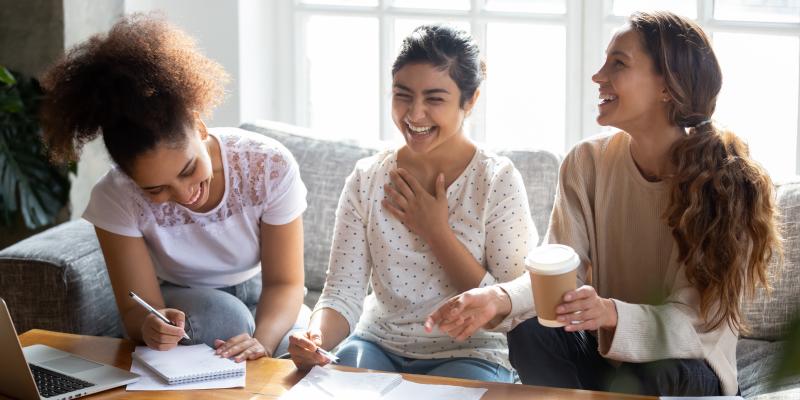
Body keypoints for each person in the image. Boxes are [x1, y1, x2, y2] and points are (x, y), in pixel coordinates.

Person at [425, 10, 782, 396]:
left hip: (687, 369)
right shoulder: (586, 163)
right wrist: (498, 297)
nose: (598, 76)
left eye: (618, 63)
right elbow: (561, 277)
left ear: (668, 87)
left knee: (660, 374)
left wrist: (610, 313)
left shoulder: (728, 185)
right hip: (609, 365)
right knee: (531, 333)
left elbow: (694, 325)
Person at [39, 14, 310, 362]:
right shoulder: (116, 197)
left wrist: (265, 343)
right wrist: (151, 325)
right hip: (185, 299)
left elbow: (285, 284)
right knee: (224, 318)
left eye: (188, 169)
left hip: (261, 291)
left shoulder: (267, 165)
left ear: (199, 128)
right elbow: (137, 310)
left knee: (301, 345)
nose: (183, 195)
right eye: (155, 190)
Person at [287, 24, 537, 382]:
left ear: (470, 100)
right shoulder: (368, 178)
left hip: (471, 353)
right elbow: (342, 292)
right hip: (376, 344)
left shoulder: (496, 180)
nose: (414, 115)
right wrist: (315, 337)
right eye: (403, 95)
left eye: (434, 99)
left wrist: (436, 232)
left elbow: (511, 305)